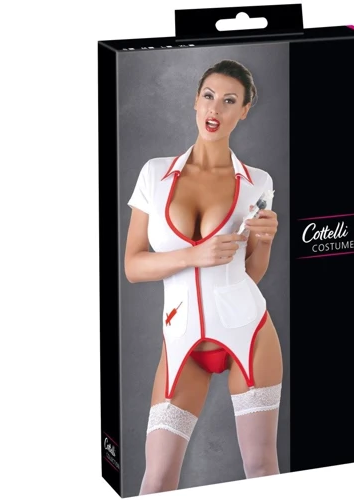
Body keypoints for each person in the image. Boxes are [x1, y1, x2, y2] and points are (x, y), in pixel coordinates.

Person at [124, 59, 283, 495]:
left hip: (249, 334)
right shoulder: (155, 174)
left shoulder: (258, 182)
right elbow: (133, 266)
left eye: (230, 101)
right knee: (157, 479)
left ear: (244, 111)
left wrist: (265, 241)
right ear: (195, 100)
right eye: (209, 96)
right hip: (182, 340)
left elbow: (250, 272)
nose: (216, 108)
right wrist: (193, 255)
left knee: (261, 468)